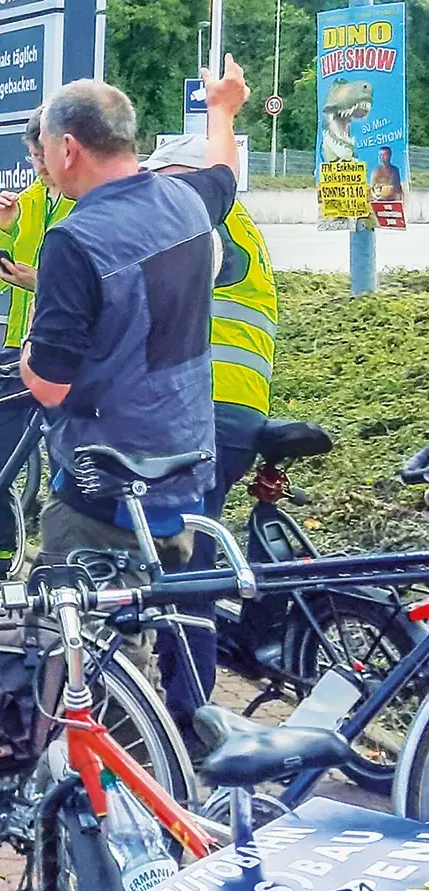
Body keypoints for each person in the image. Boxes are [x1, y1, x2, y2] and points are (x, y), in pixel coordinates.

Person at [21, 60, 250, 674]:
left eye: (43, 147)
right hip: (184, 473)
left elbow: (50, 383)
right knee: (148, 647)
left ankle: (105, 767)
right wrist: (222, 109)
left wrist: (24, 357)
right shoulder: (185, 202)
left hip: (104, 490)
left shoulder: (75, 239)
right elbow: (224, 173)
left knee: (78, 674)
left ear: (67, 148)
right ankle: (158, 759)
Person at [140, 132, 278, 746]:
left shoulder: (207, 225)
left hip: (205, 410)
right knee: (179, 552)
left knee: (183, 565)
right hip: (232, 410)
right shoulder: (236, 225)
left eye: (163, 179)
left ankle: (190, 721)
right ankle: (172, 699)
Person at [0, 107, 75, 577]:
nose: (36, 165)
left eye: (41, 154)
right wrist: (4, 229)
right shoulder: (28, 201)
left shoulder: (89, 201)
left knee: (70, 469)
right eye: (32, 156)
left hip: (69, 355)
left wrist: (43, 283)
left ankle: (63, 566)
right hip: (18, 350)